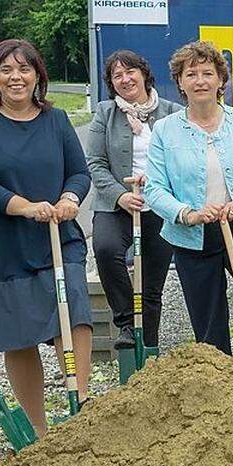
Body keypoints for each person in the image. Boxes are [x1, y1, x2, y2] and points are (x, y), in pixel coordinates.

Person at [0, 39, 93, 437]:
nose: (16, 77)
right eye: (6, 70)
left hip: (56, 233)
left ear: (38, 76)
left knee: (75, 311)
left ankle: (80, 407)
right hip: (2, 239)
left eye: (24, 69)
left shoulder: (56, 119)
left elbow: (78, 172)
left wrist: (69, 198)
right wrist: (25, 206)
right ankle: (38, 430)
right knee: (20, 333)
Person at [144, 41, 233, 355]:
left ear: (221, 80)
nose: (200, 81)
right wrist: (188, 213)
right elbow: (154, 189)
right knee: (207, 321)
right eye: (190, 74)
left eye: (208, 73)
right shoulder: (165, 130)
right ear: (179, 82)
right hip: (193, 235)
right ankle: (220, 380)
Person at [86, 50, 182, 353]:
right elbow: (95, 162)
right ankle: (127, 321)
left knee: (151, 285)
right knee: (106, 249)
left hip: (159, 205)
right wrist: (120, 195)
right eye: (117, 75)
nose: (125, 79)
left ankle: (148, 349)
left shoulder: (172, 112)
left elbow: (181, 161)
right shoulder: (105, 113)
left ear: (144, 74)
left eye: (130, 71)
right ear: (111, 83)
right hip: (116, 203)